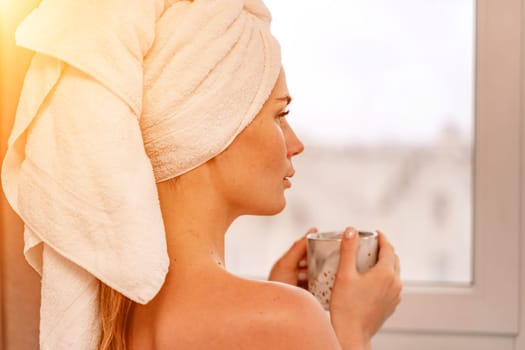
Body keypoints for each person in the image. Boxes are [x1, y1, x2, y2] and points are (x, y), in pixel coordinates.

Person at [3, 0, 401, 349]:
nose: (295, 143)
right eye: (280, 115)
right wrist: (352, 331)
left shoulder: (117, 314)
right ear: (212, 130)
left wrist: (272, 292)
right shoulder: (287, 320)